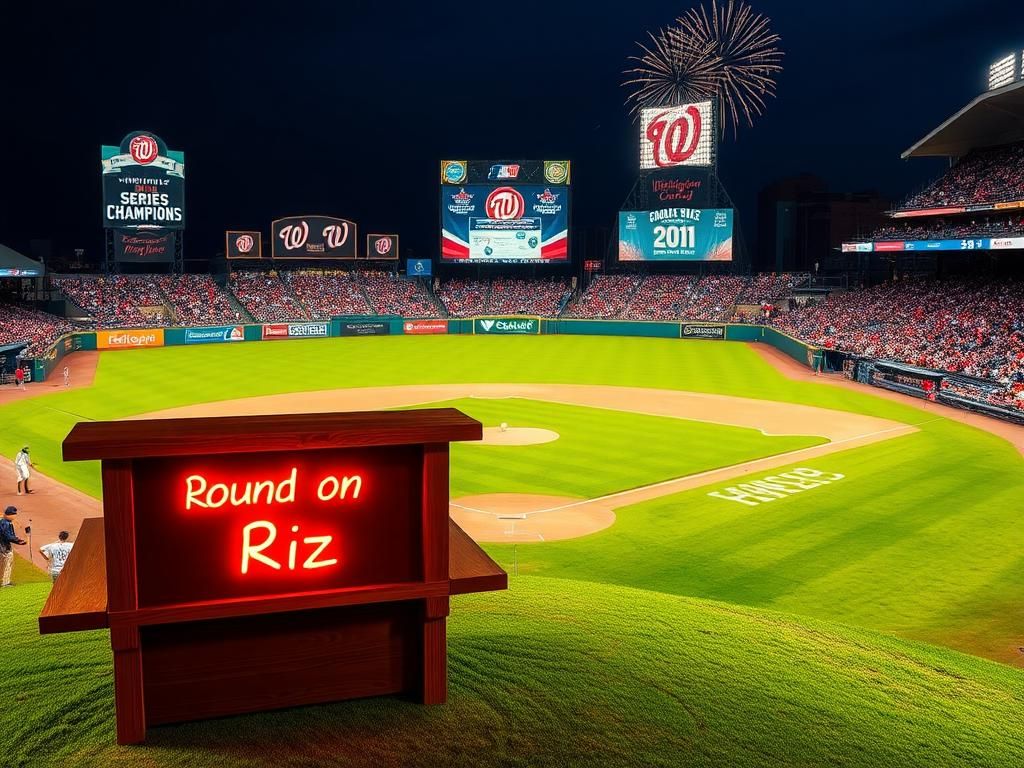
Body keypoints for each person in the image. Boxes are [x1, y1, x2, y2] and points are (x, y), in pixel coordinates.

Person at [1, 506, 27, 587]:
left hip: (2, 546)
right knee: (7, 563)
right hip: (4, 547)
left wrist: (17, 539)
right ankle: (5, 582)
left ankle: (4, 581)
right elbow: (7, 536)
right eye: (14, 514)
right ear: (10, 515)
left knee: (3, 564)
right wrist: (18, 541)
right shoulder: (5, 523)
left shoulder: (3, 522)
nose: (15, 516)